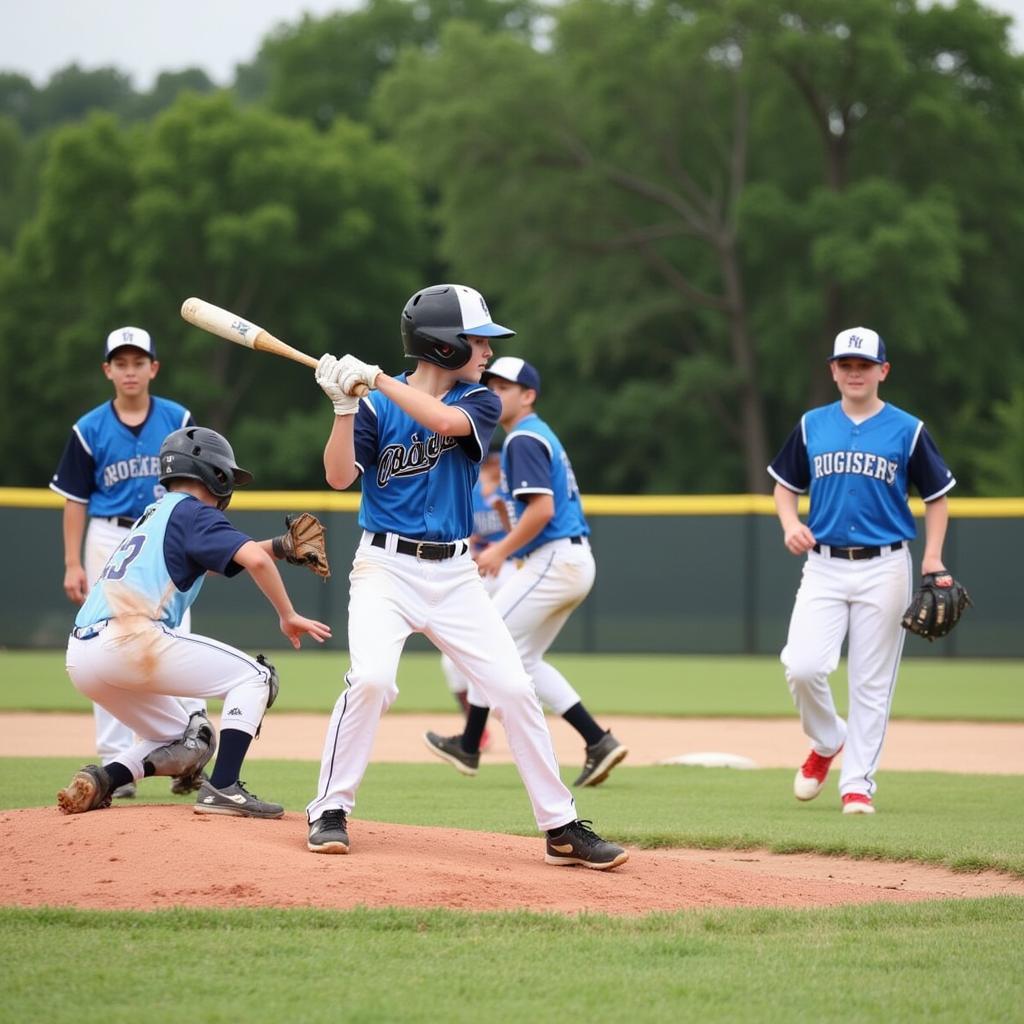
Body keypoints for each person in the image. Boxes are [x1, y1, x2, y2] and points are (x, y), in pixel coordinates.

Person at [305, 283, 627, 870]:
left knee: (512, 688)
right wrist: (344, 407)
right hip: (384, 567)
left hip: (454, 574)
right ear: (442, 344)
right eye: (477, 340)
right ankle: (329, 809)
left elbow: (441, 419)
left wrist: (375, 380)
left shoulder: (479, 401)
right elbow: (336, 478)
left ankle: (559, 827)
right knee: (373, 679)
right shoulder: (375, 406)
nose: (486, 351)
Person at [56, 426, 332, 817]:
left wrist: (282, 547)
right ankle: (224, 787)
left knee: (185, 738)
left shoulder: (156, 514)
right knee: (255, 677)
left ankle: (104, 779)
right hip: (128, 639)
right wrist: (288, 615)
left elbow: (223, 559)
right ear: (215, 475)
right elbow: (253, 560)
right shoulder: (195, 511)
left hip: (82, 654)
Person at [767, 327, 956, 814]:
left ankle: (858, 786)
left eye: (864, 366)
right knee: (802, 665)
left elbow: (936, 498)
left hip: (885, 565)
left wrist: (932, 557)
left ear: (882, 371)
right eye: (846, 365)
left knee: (871, 683)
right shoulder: (812, 425)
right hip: (824, 565)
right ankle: (828, 740)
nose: (855, 373)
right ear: (833, 370)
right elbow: (785, 486)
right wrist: (790, 523)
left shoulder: (907, 430)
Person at [423, 357, 628, 787]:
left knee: (488, 640)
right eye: (491, 385)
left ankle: (470, 742)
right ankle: (598, 741)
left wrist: (499, 549)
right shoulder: (533, 436)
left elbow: (544, 510)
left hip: (554, 559)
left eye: (504, 388)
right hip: (567, 559)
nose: (494, 394)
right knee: (526, 660)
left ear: (528, 396)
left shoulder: (522, 439)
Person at [49, 326, 204, 798]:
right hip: (109, 538)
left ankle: (193, 751)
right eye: (121, 362)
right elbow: (76, 499)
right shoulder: (89, 428)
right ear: (108, 370)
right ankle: (116, 761)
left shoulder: (178, 419)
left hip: (166, 536)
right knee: (105, 642)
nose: (130, 370)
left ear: (153, 368)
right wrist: (72, 563)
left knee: (177, 638)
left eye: (139, 362)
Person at [439, 439, 513, 748]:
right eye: (490, 460)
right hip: (476, 570)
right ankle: (476, 730)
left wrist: (501, 509)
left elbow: (523, 530)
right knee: (449, 662)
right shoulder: (468, 488)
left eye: (497, 460)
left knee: (508, 650)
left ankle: (513, 725)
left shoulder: (510, 490)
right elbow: (462, 533)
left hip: (510, 570)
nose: (493, 465)